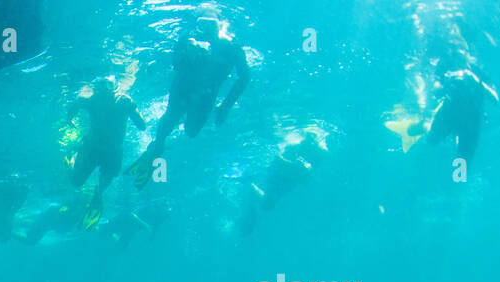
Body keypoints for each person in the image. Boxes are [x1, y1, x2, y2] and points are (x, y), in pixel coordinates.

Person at [125, 17, 249, 187]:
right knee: (168, 123)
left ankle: (169, 132)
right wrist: (186, 50)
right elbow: (175, 64)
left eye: (211, 24)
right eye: (202, 24)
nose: (206, 29)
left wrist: (226, 106)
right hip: (182, 91)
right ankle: (156, 147)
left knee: (191, 132)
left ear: (220, 26)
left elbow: (245, 77)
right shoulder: (188, 40)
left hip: (205, 96)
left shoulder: (232, 48)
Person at [66, 76, 147, 228]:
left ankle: (98, 194)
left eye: (107, 86)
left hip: (112, 151)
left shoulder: (122, 101)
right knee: (76, 182)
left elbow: (142, 125)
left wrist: (70, 118)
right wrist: (70, 118)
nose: (103, 90)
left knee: (104, 181)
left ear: (114, 87)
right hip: (92, 148)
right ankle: (73, 157)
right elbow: (76, 104)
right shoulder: (92, 100)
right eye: (100, 87)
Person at [239, 127, 327, 235]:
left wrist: (306, 170)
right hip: (279, 176)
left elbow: (306, 180)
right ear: (304, 137)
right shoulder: (295, 147)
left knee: (268, 205)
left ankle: (250, 187)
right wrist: (293, 165)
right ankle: (250, 186)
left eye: (313, 140)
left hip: (290, 181)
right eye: (308, 139)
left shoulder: (319, 153)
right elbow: (277, 159)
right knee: (268, 204)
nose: (310, 142)